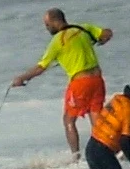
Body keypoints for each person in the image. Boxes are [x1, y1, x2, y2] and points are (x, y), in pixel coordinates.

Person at [13, 8, 113, 155]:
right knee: (95, 115)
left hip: (80, 83)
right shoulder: (83, 28)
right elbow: (107, 33)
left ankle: (75, 156)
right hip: (97, 80)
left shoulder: (57, 41)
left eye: (47, 25)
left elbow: (41, 67)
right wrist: (102, 40)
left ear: (54, 22)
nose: (47, 28)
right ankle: (110, 149)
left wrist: (21, 78)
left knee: (69, 120)